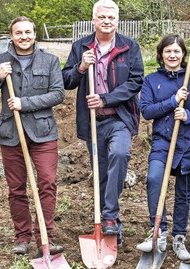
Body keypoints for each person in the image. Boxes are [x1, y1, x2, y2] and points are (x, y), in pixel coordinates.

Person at [0, 16, 65, 256]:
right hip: (11, 133)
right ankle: (23, 237)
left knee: (47, 183)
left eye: (28, 32)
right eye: (19, 33)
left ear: (35, 34)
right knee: (16, 188)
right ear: (11, 36)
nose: (24, 37)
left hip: (43, 133)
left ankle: (44, 238)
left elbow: (58, 94)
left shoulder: (49, 61)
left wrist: (23, 103)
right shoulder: (0, 61)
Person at [62, 0, 144, 248]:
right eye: (102, 17)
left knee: (120, 154)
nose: (107, 21)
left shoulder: (129, 47)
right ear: (94, 20)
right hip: (92, 123)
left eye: (111, 17)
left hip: (119, 117)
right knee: (101, 173)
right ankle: (110, 227)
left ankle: (110, 216)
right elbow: (67, 80)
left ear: (117, 20)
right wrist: (81, 66)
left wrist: (106, 98)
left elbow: (135, 81)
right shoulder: (81, 46)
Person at [136, 34, 190, 261]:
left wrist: (188, 114)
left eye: (177, 51)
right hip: (163, 141)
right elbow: (146, 111)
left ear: (183, 54)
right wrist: (172, 101)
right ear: (161, 55)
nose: (173, 55)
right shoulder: (151, 80)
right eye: (168, 51)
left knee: (183, 192)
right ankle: (158, 232)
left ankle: (178, 237)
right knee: (154, 179)